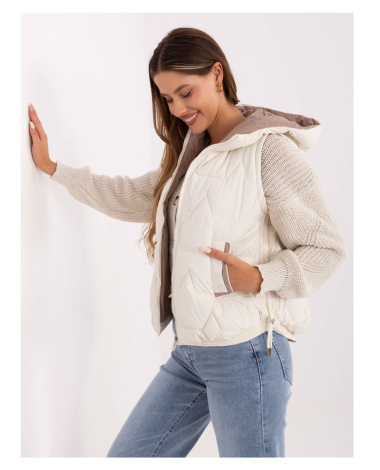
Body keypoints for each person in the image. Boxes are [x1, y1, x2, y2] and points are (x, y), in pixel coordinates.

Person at [28, 27, 346, 458]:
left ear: (217, 74)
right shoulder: (193, 153)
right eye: (167, 99)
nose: (177, 109)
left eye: (185, 93)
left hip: (249, 355)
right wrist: (54, 169)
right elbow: (135, 195)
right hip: (191, 352)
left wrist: (259, 277)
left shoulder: (269, 152)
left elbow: (326, 247)